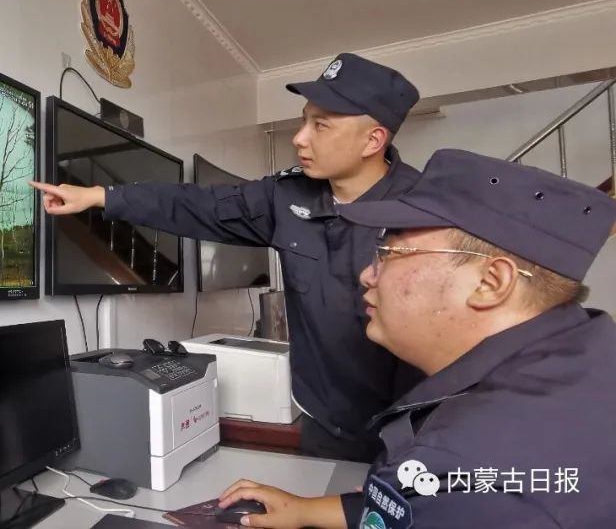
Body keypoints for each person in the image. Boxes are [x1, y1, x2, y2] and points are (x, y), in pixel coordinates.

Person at [30, 53, 424, 462]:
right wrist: (100, 196)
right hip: (327, 423)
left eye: (320, 125)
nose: (299, 138)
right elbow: (196, 204)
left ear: (373, 140)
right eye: (304, 120)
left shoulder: (429, 211)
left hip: (416, 427)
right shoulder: (286, 196)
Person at [216, 148, 616, 528]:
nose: (367, 275)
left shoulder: (468, 471)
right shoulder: (582, 352)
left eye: (389, 252)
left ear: (490, 282)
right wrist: (310, 510)